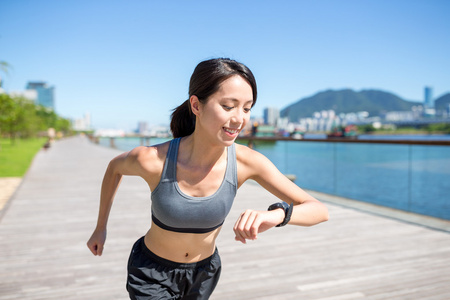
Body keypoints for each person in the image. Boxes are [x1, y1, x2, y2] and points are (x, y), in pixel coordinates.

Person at [87, 58, 329, 299]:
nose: (239, 119)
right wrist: (100, 228)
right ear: (196, 105)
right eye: (228, 106)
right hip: (151, 274)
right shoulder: (153, 159)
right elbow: (114, 169)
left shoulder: (246, 162)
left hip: (204, 274)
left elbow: (319, 210)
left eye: (246, 108)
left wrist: (274, 215)